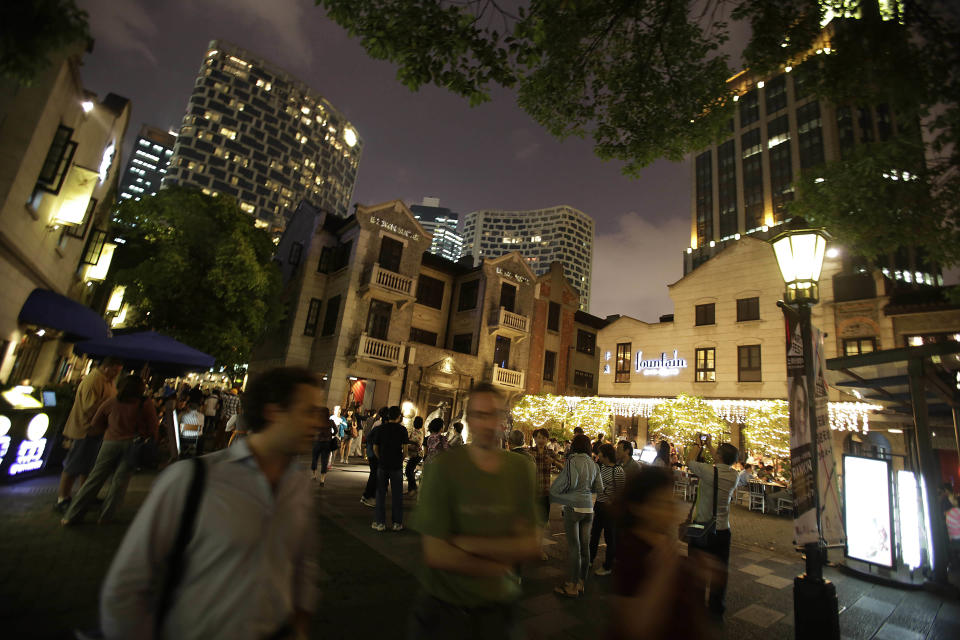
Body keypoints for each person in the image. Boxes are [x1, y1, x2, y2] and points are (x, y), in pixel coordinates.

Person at [99, 367, 321, 639]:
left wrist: (300, 624)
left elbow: (302, 565)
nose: (317, 423)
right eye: (308, 412)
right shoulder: (192, 480)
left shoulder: (297, 486)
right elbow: (126, 588)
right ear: (273, 412)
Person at [408, 383, 540, 637]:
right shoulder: (444, 468)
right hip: (444, 611)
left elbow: (530, 545)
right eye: (480, 415)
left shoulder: (520, 469)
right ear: (469, 419)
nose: (488, 424)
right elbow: (436, 553)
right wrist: (498, 563)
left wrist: (463, 543)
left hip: (500, 611)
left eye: (494, 415)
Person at [608, 467, 707, 640]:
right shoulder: (632, 551)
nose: (672, 511)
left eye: (672, 502)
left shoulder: (664, 541)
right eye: (662, 504)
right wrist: (663, 572)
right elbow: (635, 626)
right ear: (638, 508)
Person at [62, 375, 159, 525]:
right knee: (120, 483)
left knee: (94, 479)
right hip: (133, 445)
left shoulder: (111, 402)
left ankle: (72, 514)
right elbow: (153, 427)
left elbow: (96, 424)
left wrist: (109, 430)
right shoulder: (145, 404)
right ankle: (106, 516)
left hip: (110, 443)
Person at [57, 357, 124, 511]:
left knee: (90, 465)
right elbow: (90, 407)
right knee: (74, 464)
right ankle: (63, 498)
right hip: (85, 429)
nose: (116, 374)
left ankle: (86, 495)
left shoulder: (107, 381)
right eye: (115, 371)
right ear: (107, 367)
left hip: (97, 430)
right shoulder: (94, 380)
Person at [685, 434, 740, 619]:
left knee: (697, 568)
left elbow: (689, 460)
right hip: (723, 529)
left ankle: (696, 606)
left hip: (702, 527)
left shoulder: (708, 471)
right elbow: (722, 461)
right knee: (720, 571)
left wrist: (698, 443)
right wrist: (710, 446)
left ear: (718, 457)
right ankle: (717, 608)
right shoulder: (734, 475)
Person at [550, 434, 602, 598]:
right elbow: (599, 488)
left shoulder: (572, 461)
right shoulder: (593, 464)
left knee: (574, 548)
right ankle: (580, 582)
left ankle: (571, 585)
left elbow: (565, 483)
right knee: (585, 548)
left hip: (573, 507)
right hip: (588, 508)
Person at [371, 406, 409, 531]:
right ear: (399, 417)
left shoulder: (380, 429)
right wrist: (400, 459)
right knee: (397, 495)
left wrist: (381, 458)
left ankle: (380, 522)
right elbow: (405, 450)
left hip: (383, 464)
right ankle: (397, 523)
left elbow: (375, 448)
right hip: (396, 465)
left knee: (381, 493)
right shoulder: (403, 430)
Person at [589, 443, 625, 577]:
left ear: (606, 456)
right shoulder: (601, 467)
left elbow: (621, 492)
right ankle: (590, 559)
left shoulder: (618, 470)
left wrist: (611, 501)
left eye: (600, 454)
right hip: (599, 504)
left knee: (610, 537)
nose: (598, 456)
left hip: (610, 508)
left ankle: (608, 565)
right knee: (594, 534)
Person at [360, 407, 388, 507]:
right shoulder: (381, 426)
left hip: (372, 453)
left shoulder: (377, 424)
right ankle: (369, 497)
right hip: (375, 453)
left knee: (373, 475)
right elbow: (376, 441)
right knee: (375, 476)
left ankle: (366, 496)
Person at [311, 406, 334, 485]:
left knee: (315, 458)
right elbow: (336, 430)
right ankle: (322, 479)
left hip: (317, 442)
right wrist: (331, 434)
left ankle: (314, 475)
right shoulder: (330, 421)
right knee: (324, 461)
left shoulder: (317, 421)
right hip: (327, 443)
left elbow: (312, 430)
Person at [406, 416, 424, 495]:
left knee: (408, 471)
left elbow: (417, 443)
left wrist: (408, 441)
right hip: (414, 454)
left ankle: (413, 488)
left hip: (417, 454)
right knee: (409, 471)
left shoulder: (419, 432)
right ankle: (411, 489)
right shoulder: (415, 431)